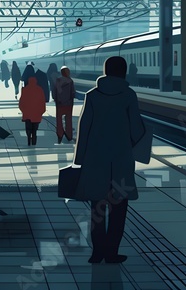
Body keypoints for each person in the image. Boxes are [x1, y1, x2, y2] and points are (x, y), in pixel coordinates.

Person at [73, 56, 146, 264]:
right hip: (121, 161)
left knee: (97, 209)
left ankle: (97, 252)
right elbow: (136, 130)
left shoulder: (92, 96)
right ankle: (111, 252)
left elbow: (84, 128)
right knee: (118, 209)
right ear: (124, 72)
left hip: (96, 161)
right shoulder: (129, 96)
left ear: (105, 71)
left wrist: (80, 159)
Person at [18, 77, 46, 146]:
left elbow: (21, 102)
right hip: (36, 114)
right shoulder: (39, 90)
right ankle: (34, 140)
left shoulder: (25, 89)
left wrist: (23, 110)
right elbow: (42, 101)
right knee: (35, 128)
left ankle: (28, 138)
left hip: (27, 113)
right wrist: (42, 111)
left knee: (28, 127)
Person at [53, 66, 77, 143]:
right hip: (68, 104)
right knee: (68, 120)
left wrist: (56, 100)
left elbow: (54, 92)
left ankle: (60, 134)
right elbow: (73, 93)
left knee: (59, 120)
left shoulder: (58, 80)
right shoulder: (70, 81)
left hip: (59, 104)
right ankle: (69, 135)